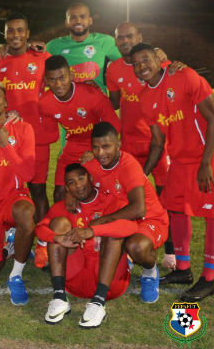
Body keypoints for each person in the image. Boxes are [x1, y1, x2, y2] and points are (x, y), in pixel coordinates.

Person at [132, 43, 214, 301]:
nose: (142, 66)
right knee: (175, 209)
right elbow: (157, 141)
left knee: (212, 215)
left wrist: (206, 162)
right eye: (136, 63)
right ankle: (183, 269)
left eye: (146, 59)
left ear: (158, 58)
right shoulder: (144, 97)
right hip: (179, 159)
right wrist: (141, 174)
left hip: (208, 155)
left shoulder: (183, 76)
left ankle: (208, 279)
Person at [0, 13, 55, 268]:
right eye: (10, 31)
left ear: (28, 33)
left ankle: (44, 245)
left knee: (38, 190)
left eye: (20, 30)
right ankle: (7, 236)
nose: (15, 35)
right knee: (1, 186)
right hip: (7, 135)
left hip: (38, 133)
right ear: (4, 35)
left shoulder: (43, 58)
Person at [106, 22, 175, 269]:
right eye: (120, 38)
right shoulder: (113, 69)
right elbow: (112, 102)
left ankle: (171, 252)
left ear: (140, 37)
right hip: (130, 143)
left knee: (166, 197)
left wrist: (174, 62)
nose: (125, 41)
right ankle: (135, 242)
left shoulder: (159, 62)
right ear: (115, 42)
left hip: (160, 142)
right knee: (130, 197)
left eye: (130, 36)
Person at [36, 163, 135, 328]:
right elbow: (40, 228)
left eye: (81, 178)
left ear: (90, 178)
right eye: (71, 182)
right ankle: (59, 296)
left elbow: (131, 226)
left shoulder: (110, 200)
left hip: (109, 281)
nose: (78, 185)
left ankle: (98, 302)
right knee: (58, 225)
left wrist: (93, 231)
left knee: (113, 232)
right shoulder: (65, 206)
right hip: (74, 281)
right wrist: (57, 238)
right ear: (67, 188)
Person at [81, 122, 169, 305]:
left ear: (118, 144)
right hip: (123, 219)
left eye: (106, 146)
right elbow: (82, 184)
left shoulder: (129, 165)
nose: (100, 153)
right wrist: (71, 196)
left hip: (149, 219)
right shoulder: (92, 165)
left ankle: (149, 272)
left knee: (136, 246)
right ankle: (123, 258)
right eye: (95, 148)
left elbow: (139, 209)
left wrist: (103, 221)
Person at [0, 80, 37, 306]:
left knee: (25, 212)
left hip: (13, 197)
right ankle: (7, 245)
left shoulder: (23, 128)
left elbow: (29, 174)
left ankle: (17, 274)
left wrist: (5, 145)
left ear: (6, 102)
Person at [39, 55, 120, 203]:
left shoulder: (91, 94)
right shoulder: (45, 102)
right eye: (52, 79)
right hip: (73, 146)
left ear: (71, 75)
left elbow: (114, 124)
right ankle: (65, 225)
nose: (58, 84)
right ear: (45, 81)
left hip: (97, 144)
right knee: (59, 194)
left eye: (62, 77)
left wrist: (97, 150)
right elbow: (51, 135)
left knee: (101, 192)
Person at [46, 3, 121, 94]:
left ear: (90, 20)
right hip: (68, 102)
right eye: (73, 17)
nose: (78, 20)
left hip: (97, 101)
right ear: (67, 22)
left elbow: (126, 63)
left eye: (82, 16)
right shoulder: (54, 45)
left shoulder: (105, 41)